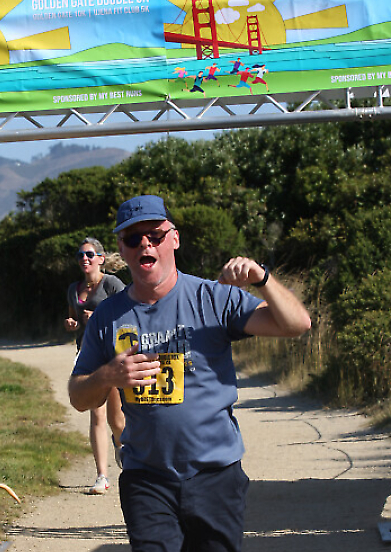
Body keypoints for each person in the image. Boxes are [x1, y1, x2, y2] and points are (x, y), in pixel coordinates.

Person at [69, 195, 311, 552]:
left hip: (216, 475)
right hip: (146, 478)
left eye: (155, 235)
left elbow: (297, 324)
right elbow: (78, 396)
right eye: (133, 238)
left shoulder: (213, 298)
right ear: (121, 248)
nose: (145, 244)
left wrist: (262, 278)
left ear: (174, 239)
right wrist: (107, 376)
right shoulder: (107, 316)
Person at [64, 237, 127, 495]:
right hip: (88, 355)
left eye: (89, 254)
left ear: (100, 258)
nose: (84, 259)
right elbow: (72, 316)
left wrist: (100, 318)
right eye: (80, 255)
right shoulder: (74, 289)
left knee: (117, 419)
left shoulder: (111, 284)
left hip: (112, 355)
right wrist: (71, 324)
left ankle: (121, 446)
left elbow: (129, 313)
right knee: (96, 413)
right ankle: (102, 475)